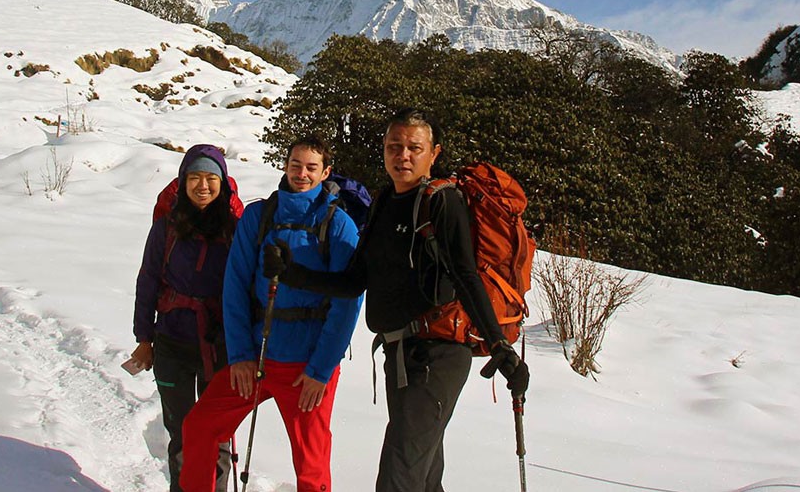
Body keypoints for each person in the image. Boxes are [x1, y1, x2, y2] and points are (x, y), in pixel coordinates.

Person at [270, 108, 530, 491]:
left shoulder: (443, 201)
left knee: (399, 475)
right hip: (400, 354)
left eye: (414, 147)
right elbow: (354, 280)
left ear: (433, 153)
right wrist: (291, 273)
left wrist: (499, 346)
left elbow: (465, 274)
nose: (402, 155)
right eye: (394, 146)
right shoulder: (383, 201)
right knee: (422, 477)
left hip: (438, 354)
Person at [179, 137, 362, 492]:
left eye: (311, 168)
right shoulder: (258, 216)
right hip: (257, 358)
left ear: (325, 172)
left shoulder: (339, 225)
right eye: (296, 165)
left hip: (306, 368)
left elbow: (347, 304)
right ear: (285, 165)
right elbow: (234, 285)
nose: (302, 174)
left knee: (311, 463)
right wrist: (241, 356)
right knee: (199, 427)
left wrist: (320, 371)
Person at [129, 145, 242, 491]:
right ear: (182, 181)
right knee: (180, 431)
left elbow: (246, 286)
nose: (203, 186)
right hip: (172, 342)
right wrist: (144, 338)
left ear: (223, 183)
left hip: (220, 344)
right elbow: (148, 280)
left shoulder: (236, 229)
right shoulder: (166, 228)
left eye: (211, 178)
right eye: (195, 178)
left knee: (217, 434)